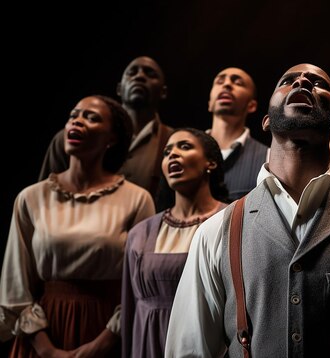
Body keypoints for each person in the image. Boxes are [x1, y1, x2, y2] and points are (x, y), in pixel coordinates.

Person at [165, 63, 330, 357]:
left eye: (319, 83)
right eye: (288, 80)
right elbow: (187, 351)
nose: (302, 81)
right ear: (266, 121)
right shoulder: (216, 232)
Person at [0, 95, 155, 357]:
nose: (78, 122)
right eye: (74, 115)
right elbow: (16, 284)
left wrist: (100, 344)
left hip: (106, 329)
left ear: (112, 138)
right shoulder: (31, 197)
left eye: (92, 118)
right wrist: (46, 349)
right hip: (44, 332)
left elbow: (141, 284)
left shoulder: (137, 199)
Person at [121, 128, 228, 358]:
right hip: (147, 345)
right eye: (167, 151)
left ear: (210, 162)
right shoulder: (140, 234)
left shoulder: (231, 222)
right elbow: (128, 312)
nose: (173, 155)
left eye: (185, 147)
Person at [39, 56, 174, 201]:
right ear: (119, 89)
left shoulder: (171, 141)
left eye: (150, 74)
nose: (140, 76)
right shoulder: (68, 138)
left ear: (163, 92)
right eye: (132, 72)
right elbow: (44, 197)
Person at [207, 67, 269, 202]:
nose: (227, 84)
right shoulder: (186, 153)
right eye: (220, 81)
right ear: (210, 104)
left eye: (238, 83)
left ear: (251, 105)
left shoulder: (268, 157)